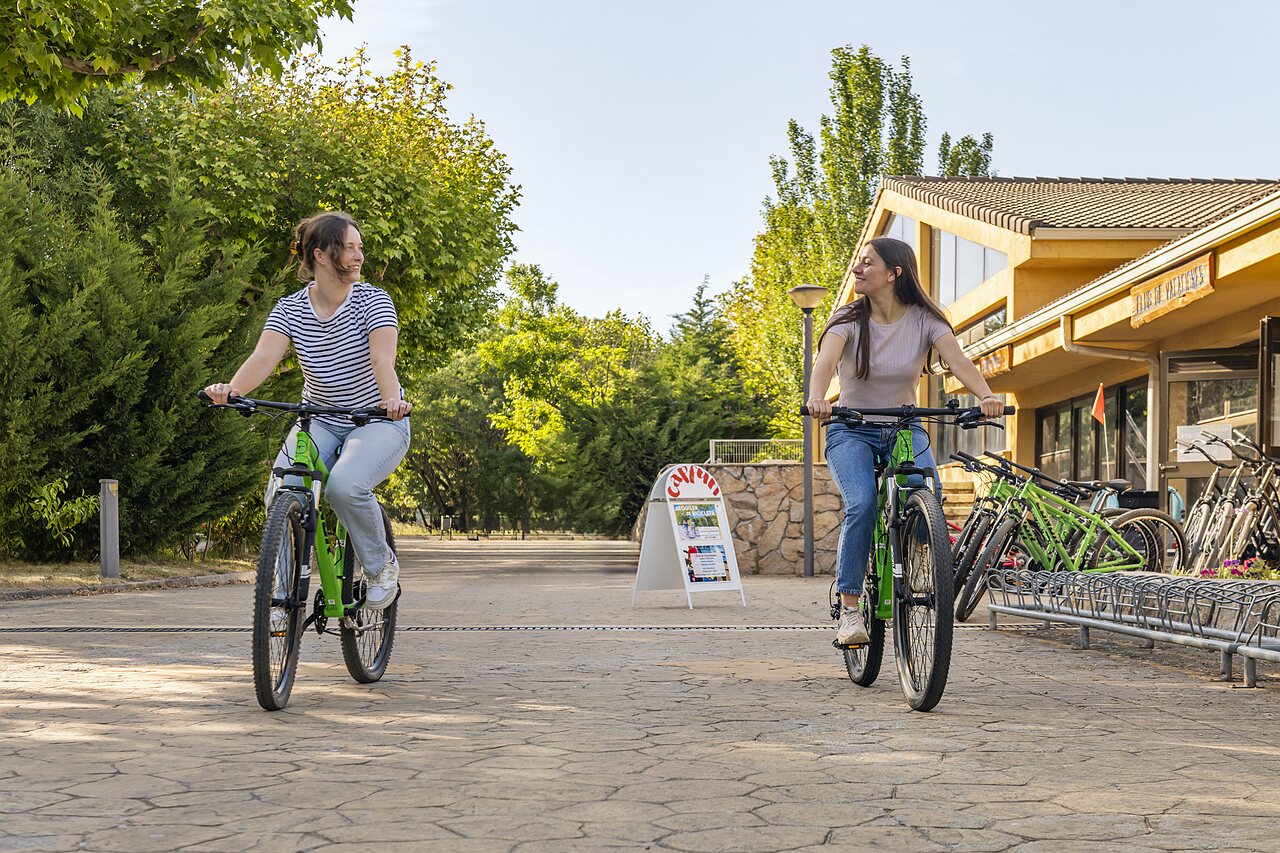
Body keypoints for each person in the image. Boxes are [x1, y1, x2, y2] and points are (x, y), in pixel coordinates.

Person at [203, 212, 413, 610]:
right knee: (281, 490)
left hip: (378, 419)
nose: (359, 256)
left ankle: (380, 565)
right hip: (319, 418)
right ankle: (281, 592)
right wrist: (231, 389)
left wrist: (391, 402)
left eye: (359, 248)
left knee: (344, 485)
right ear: (321, 254)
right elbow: (264, 358)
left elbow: (383, 360)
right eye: (349, 247)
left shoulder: (373, 301)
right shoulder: (290, 308)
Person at [805, 237, 1004, 646]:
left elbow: (958, 360)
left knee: (928, 491)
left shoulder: (924, 319)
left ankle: (912, 558)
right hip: (851, 428)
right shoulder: (847, 318)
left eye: (867, 263)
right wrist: (818, 398)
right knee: (861, 503)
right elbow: (824, 363)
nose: (857, 270)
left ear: (894, 273)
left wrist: (985, 396)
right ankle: (849, 609)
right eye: (858, 262)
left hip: (904, 426)